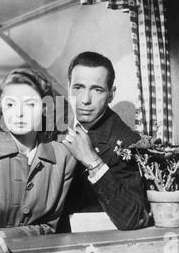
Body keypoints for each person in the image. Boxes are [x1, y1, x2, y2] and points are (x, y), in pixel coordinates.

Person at [0, 69, 76, 253]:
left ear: (45, 108)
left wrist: (2, 235)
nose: (19, 113)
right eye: (10, 104)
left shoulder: (63, 156)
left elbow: (51, 227)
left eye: (30, 105)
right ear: (1, 108)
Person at [59, 51, 151, 232]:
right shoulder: (55, 123)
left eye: (97, 89)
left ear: (111, 94)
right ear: (68, 87)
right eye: (78, 88)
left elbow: (135, 217)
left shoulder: (128, 142)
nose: (85, 100)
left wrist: (93, 161)